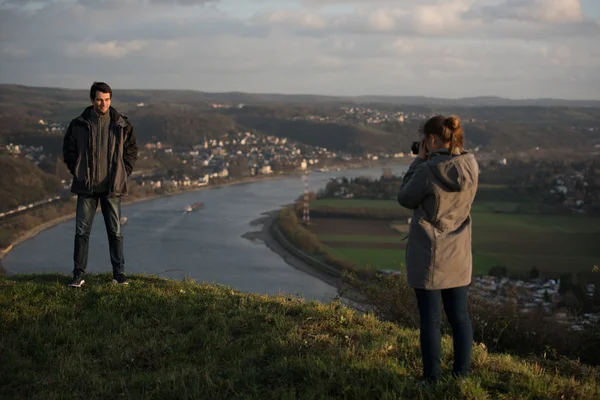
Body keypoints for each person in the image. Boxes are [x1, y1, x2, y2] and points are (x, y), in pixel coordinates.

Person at [397, 115, 479, 383]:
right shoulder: (470, 165)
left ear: (430, 140)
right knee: (460, 318)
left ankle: (432, 381)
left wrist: (418, 160)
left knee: (430, 320)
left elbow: (405, 197)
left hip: (431, 253)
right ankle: (461, 376)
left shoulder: (426, 170)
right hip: (459, 251)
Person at [62, 82, 138, 287]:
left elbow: (131, 152)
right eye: (99, 99)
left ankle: (119, 275)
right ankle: (78, 275)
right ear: (92, 100)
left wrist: (123, 173)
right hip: (86, 188)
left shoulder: (122, 125)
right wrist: (77, 171)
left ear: (110, 99)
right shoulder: (78, 124)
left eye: (106, 99)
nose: (103, 103)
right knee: (81, 232)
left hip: (111, 188)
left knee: (115, 232)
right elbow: (68, 151)